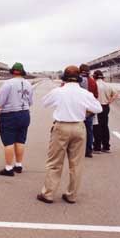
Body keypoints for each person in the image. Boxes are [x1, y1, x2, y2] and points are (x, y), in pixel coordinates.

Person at [37, 65, 102, 204]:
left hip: (61, 127)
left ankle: (48, 194)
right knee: (76, 164)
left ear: (64, 78)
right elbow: (98, 108)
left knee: (54, 162)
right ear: (79, 78)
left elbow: (44, 103)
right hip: (79, 126)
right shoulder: (85, 94)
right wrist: (85, 112)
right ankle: (71, 195)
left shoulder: (58, 91)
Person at [0, 62, 33, 177]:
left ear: (12, 71)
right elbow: (30, 102)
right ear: (22, 72)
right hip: (25, 114)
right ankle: (18, 165)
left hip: (9, 115)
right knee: (20, 140)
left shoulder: (7, 84)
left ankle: (9, 168)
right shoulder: (28, 84)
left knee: (8, 142)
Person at [93, 70, 118, 153]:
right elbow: (116, 94)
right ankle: (106, 147)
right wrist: (110, 101)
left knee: (97, 127)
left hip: (97, 107)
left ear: (95, 76)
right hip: (105, 107)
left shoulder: (94, 84)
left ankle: (97, 148)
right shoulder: (107, 85)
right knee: (105, 126)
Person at [79, 64, 98, 158]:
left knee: (77, 130)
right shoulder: (93, 81)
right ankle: (89, 151)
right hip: (89, 110)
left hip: (78, 109)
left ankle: (77, 150)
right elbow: (96, 96)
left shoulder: (77, 81)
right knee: (89, 131)